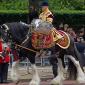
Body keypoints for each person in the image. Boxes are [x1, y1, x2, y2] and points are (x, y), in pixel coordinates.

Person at [39, 1, 60, 77]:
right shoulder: (41, 14)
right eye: (41, 6)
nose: (41, 8)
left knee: (51, 35)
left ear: (46, 6)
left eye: (42, 6)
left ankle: (55, 47)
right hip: (41, 29)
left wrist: (42, 27)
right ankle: (40, 50)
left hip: (48, 29)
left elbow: (49, 23)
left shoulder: (49, 13)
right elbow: (39, 22)